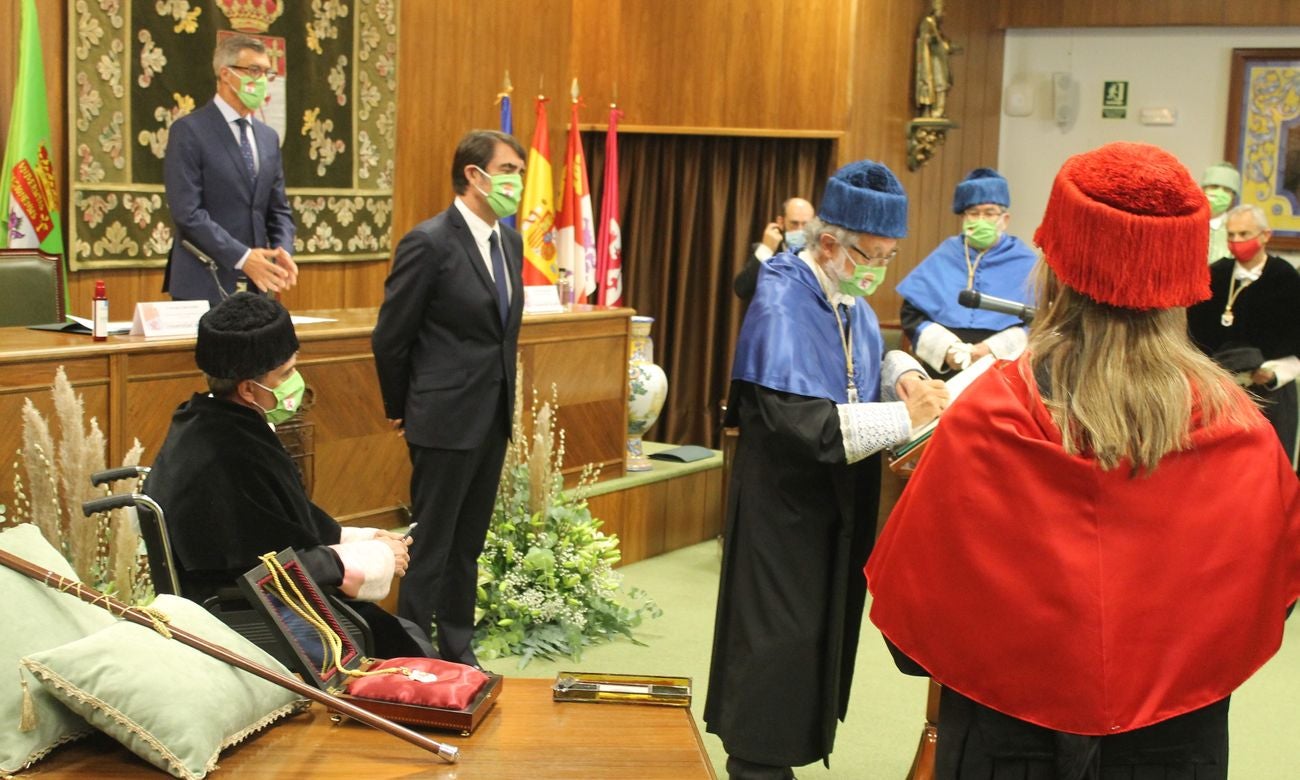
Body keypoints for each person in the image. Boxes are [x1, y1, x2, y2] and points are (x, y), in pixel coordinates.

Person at [866, 142, 1300, 777]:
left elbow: (913, 627)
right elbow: (1267, 601)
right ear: (1181, 279)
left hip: (1003, 742)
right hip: (1173, 748)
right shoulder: (1242, 432)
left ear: (1056, 267)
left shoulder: (990, 414)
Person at [705, 160, 949, 779]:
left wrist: (907, 375)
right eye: (872, 256)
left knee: (814, 643)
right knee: (775, 647)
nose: (879, 270)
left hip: (833, 512)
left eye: (890, 257)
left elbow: (865, 364)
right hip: (782, 513)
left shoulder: (849, 301)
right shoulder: (783, 292)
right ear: (831, 243)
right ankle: (757, 766)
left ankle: (780, 760)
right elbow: (798, 423)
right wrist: (907, 420)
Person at [147, 293, 431, 659]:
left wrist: (358, 537)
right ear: (249, 389)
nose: (295, 381)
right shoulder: (230, 453)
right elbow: (269, 565)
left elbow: (278, 521)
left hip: (260, 597)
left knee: (408, 635)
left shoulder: (204, 420)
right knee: (410, 654)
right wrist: (375, 556)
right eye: (285, 373)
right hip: (254, 612)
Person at [372, 130, 526, 668]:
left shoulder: (510, 242)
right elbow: (392, 336)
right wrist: (400, 407)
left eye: (520, 171)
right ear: (473, 175)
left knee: (469, 544)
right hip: (442, 416)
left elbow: (501, 334)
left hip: (491, 416)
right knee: (433, 544)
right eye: (508, 170)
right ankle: (414, 650)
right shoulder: (430, 241)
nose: (517, 182)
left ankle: (459, 648)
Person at [163, 34, 297, 304]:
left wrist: (283, 251)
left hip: (257, 285)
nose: (261, 80)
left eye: (266, 73)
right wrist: (243, 257)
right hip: (203, 283)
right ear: (226, 74)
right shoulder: (190, 131)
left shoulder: (267, 137)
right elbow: (187, 213)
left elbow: (278, 208)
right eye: (254, 70)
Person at [1188, 204, 1300, 470]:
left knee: (1265, 470)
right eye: (1231, 235)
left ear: (1265, 235)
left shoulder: (1286, 279)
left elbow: (1295, 339)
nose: (1237, 242)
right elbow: (1194, 331)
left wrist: (1272, 373)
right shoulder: (1216, 274)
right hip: (1219, 391)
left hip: (1269, 391)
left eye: (1244, 234)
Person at [897, 167, 1037, 379]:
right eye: (973, 213)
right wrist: (947, 348)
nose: (981, 220)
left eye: (989, 213)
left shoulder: (1027, 262)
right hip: (945, 369)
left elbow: (1042, 321)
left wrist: (993, 349)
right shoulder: (945, 254)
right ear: (963, 218)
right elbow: (912, 314)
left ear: (1005, 219)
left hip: (1003, 370)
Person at [733, 197, 815, 302]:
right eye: (794, 224)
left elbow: (841, 288)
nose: (800, 230)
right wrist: (767, 249)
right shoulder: (764, 252)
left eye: (806, 225)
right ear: (781, 222)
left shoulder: (820, 255)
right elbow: (742, 290)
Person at [915, 0, 956, 119]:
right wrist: (935, 41)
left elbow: (943, 43)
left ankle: (938, 111)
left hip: (940, 60)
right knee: (939, 84)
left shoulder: (936, 26)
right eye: (942, 11)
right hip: (934, 62)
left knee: (943, 85)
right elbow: (926, 40)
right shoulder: (928, 23)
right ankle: (935, 111)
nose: (944, 14)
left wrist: (948, 46)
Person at [1202, 162, 1241, 264]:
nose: (1219, 192)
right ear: (1203, 189)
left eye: (1227, 189)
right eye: (1214, 187)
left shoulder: (1236, 230)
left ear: (1233, 196)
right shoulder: (1187, 224)